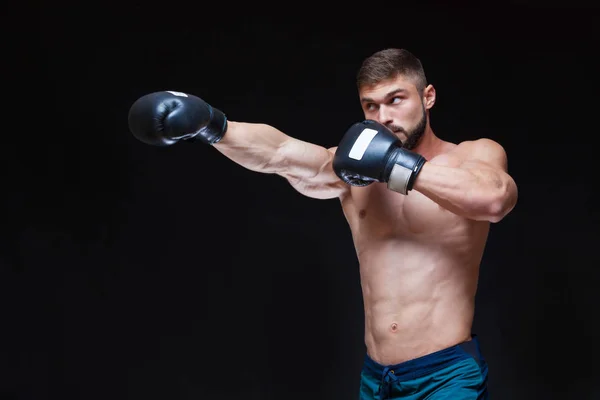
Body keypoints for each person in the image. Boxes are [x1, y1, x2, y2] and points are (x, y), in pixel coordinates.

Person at [127, 48, 518, 399]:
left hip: (445, 375)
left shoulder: (473, 155)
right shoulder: (353, 172)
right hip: (376, 377)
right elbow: (280, 153)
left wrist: (397, 165)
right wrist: (213, 126)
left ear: (427, 97)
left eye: (395, 100)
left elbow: (494, 199)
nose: (383, 118)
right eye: (370, 107)